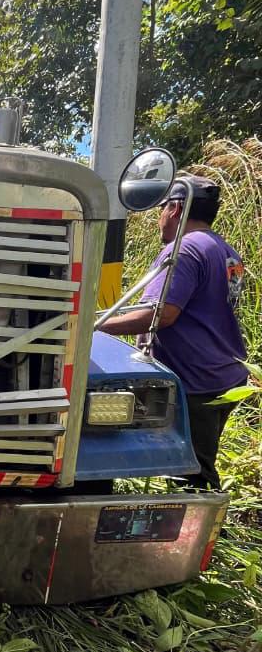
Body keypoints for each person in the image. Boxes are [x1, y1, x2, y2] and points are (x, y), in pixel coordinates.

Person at [97, 174, 246, 489]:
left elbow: (161, 314)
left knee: (192, 475)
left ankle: (197, 534)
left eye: (162, 207)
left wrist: (94, 326)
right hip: (223, 374)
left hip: (195, 381)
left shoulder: (185, 249)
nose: (160, 217)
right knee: (193, 461)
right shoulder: (225, 250)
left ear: (176, 209)